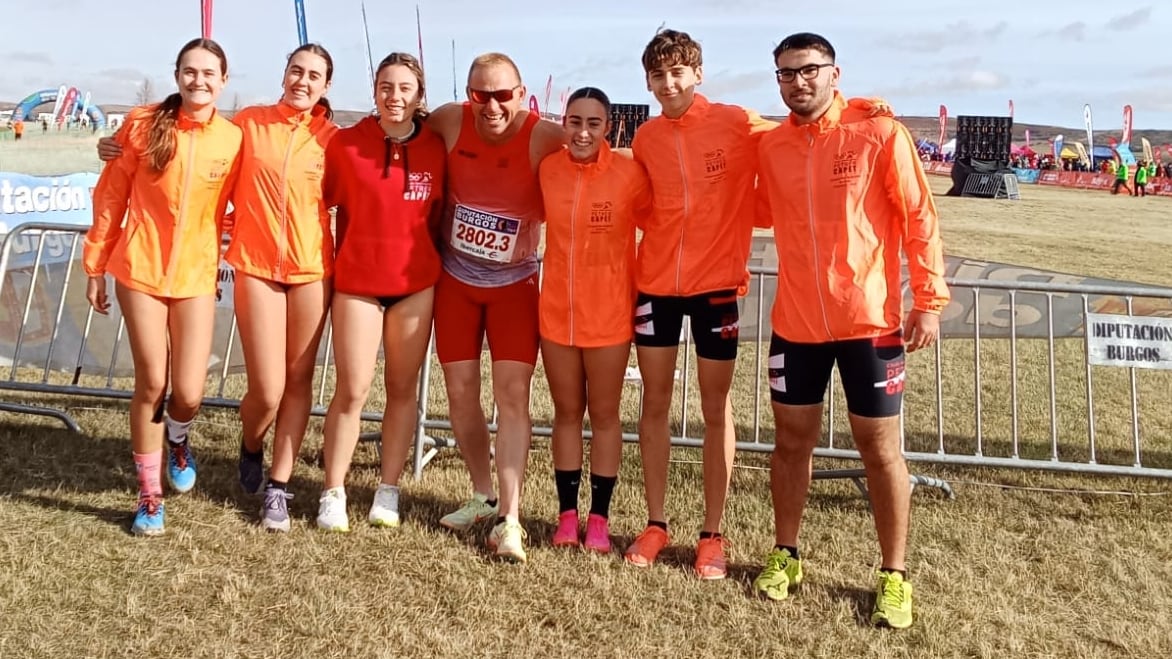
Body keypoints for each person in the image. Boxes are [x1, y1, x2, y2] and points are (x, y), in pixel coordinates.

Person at [96, 44, 340, 533]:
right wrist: (114, 144)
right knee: (188, 384)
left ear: (326, 86)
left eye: (314, 75)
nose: (302, 81)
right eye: (296, 70)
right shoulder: (242, 125)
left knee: (248, 387)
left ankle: (254, 473)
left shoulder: (324, 139)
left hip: (293, 268)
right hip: (196, 267)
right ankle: (167, 488)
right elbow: (138, 173)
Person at [753, 32, 950, 630]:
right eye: (786, 74)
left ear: (834, 74)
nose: (798, 82)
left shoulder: (879, 133)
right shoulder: (772, 146)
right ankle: (786, 554)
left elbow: (918, 217)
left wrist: (930, 300)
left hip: (870, 322)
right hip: (797, 324)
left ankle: (894, 574)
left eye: (809, 70)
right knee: (791, 442)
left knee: (879, 447)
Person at [623, 28, 777, 579]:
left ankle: (712, 533)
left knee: (716, 408)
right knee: (655, 404)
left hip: (716, 288)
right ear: (648, 82)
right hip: (657, 286)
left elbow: (799, 131)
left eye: (677, 73)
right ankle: (656, 523)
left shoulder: (735, 122)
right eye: (657, 75)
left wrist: (856, 109)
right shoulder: (646, 138)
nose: (668, 84)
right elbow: (643, 201)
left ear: (698, 74)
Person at [83, 38, 242, 536]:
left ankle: (178, 437)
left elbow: (246, 202)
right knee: (152, 382)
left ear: (223, 80)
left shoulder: (232, 139)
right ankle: (149, 496)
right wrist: (95, 264)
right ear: (177, 76)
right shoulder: (142, 123)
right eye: (190, 71)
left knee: (189, 392)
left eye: (209, 73)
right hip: (140, 270)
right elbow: (112, 195)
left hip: (196, 276)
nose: (199, 80)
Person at [425, 53, 564, 563]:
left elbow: (596, 153)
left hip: (514, 287)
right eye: (480, 95)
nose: (491, 106)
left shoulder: (543, 135)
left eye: (503, 95)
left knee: (512, 397)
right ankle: (482, 494)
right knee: (460, 393)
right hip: (455, 283)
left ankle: (509, 517)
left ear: (520, 94)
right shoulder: (448, 120)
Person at [315, 52, 447, 532]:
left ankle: (387, 489)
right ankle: (333, 491)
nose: (394, 96)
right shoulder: (346, 144)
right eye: (386, 86)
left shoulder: (436, 147)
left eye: (405, 88)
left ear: (419, 94)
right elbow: (314, 197)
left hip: (414, 286)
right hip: (357, 284)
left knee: (401, 389)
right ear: (374, 90)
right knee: (352, 389)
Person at [538, 87, 650, 554]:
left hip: (609, 316)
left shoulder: (629, 174)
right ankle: (567, 516)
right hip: (556, 316)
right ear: (564, 123)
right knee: (566, 414)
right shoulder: (548, 169)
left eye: (593, 123)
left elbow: (660, 223)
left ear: (610, 127)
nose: (582, 132)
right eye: (575, 121)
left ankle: (599, 519)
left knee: (604, 416)